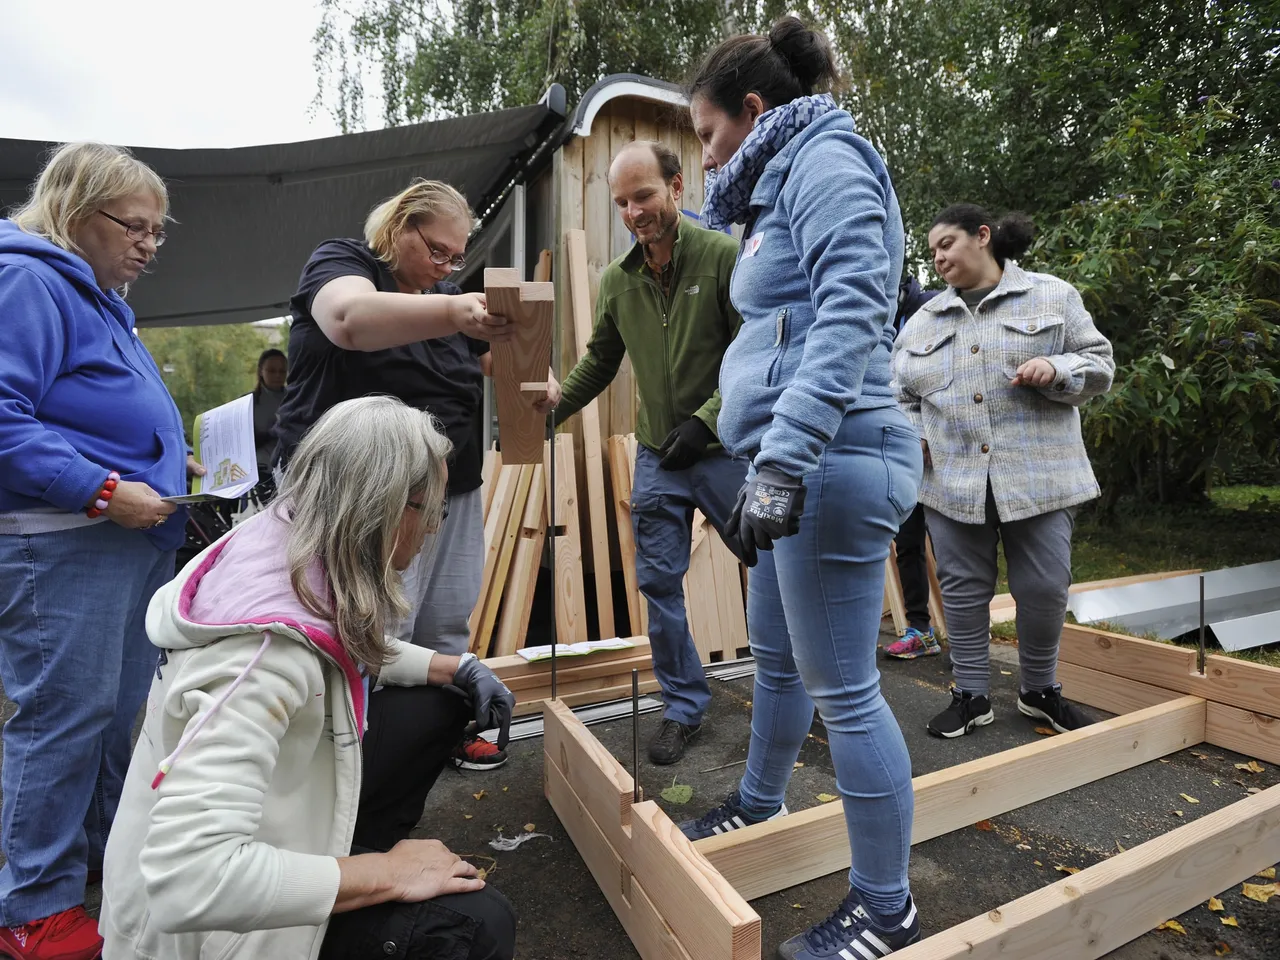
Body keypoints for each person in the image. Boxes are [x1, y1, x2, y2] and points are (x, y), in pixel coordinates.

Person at [99, 396, 517, 960]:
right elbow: (188, 882)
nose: (435, 529)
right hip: (198, 939)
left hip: (244, 851)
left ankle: (345, 843)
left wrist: (454, 666)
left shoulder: (282, 538)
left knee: (437, 700)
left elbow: (329, 636)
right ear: (392, 509)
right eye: (435, 510)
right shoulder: (262, 659)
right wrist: (386, 873)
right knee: (475, 924)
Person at [679, 17, 923, 959]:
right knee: (777, 662)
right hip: (792, 455)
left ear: (754, 110)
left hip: (830, 457)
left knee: (847, 691)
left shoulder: (825, 162)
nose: (705, 157)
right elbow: (778, 333)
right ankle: (756, 803)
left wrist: (782, 459)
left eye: (706, 134)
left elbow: (857, 308)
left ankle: (886, 908)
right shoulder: (774, 187)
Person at [271, 178, 552, 772]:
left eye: (458, 256)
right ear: (400, 227)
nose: (448, 266)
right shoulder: (345, 265)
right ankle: (353, 755)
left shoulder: (445, 296)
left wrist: (535, 379)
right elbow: (349, 320)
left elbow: (501, 362)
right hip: (366, 496)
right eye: (438, 251)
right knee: (374, 626)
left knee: (445, 621)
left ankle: (435, 735)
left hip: (452, 488)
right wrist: (455, 308)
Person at [0, 141, 204, 960]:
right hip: (62, 543)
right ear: (76, 212)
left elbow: (85, 413)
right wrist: (101, 488)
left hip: (114, 542)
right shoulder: (28, 281)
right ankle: (30, 908)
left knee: (112, 718)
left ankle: (89, 868)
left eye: (160, 230)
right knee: (62, 717)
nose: (150, 244)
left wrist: (166, 463)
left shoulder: (100, 300)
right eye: (135, 226)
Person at [539, 140, 745, 765]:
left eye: (644, 195)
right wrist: (553, 411)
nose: (634, 211)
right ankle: (684, 707)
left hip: (723, 448)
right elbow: (600, 361)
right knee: (659, 583)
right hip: (658, 453)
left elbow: (751, 356)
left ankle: (803, 686)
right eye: (622, 201)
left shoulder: (723, 257)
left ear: (677, 187)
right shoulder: (617, 280)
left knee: (776, 564)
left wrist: (708, 420)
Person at [892, 203, 1114, 738]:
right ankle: (970, 696)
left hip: (1040, 478)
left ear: (983, 236)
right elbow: (900, 393)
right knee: (964, 591)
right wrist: (913, 433)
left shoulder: (1052, 295)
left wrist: (1057, 368)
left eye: (946, 243)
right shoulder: (923, 321)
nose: (938, 257)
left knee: (1043, 588)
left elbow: (1100, 363)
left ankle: (1039, 691)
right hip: (952, 482)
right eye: (932, 251)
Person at [884, 271, 943, 659]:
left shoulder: (932, 307)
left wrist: (926, 432)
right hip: (904, 452)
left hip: (941, 451)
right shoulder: (879, 318)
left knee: (950, 545)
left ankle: (968, 631)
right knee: (907, 543)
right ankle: (920, 631)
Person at [252, 347, 287, 468]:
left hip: (288, 466)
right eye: (272, 371)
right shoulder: (248, 402)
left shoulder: (295, 399)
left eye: (282, 371)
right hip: (259, 467)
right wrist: (270, 433)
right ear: (261, 371)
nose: (277, 375)